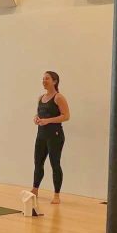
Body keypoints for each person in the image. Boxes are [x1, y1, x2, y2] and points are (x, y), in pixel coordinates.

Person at [32, 71, 71, 204]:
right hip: (41, 135)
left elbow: (66, 116)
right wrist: (36, 118)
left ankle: (56, 195)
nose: (44, 81)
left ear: (54, 81)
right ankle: (35, 190)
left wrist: (48, 121)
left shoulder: (58, 98)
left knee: (55, 164)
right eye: (43, 79)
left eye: (47, 79)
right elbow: (39, 114)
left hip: (55, 136)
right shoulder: (40, 98)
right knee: (38, 163)